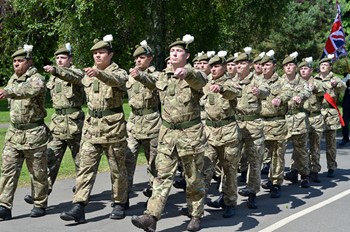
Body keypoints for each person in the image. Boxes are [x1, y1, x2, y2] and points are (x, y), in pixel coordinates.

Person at [131, 34, 207, 232]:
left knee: (193, 178)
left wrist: (186, 74)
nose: (174, 53)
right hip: (167, 135)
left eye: (179, 51)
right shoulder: (163, 75)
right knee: (161, 176)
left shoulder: (195, 74)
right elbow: (150, 80)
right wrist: (139, 75)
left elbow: (200, 81)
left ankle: (196, 215)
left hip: (190, 134)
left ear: (187, 55)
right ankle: (151, 216)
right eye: (172, 51)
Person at [60, 34, 129, 223]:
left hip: (112, 128)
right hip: (91, 128)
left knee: (117, 169)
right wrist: (56, 70)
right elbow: (72, 76)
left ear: (110, 54)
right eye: (95, 53)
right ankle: (79, 206)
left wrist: (100, 74)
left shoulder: (119, 72)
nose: (97, 56)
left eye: (101, 53)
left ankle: (119, 202)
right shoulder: (88, 74)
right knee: (85, 168)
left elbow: (117, 81)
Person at [23, 43, 85, 205]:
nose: (59, 60)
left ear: (70, 59)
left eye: (63, 58)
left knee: (81, 160)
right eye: (57, 58)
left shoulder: (77, 72)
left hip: (75, 122)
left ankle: (82, 191)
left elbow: (74, 78)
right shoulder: (53, 76)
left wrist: (57, 70)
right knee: (50, 159)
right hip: (57, 123)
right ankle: (42, 192)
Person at [0, 44, 51, 219]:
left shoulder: (37, 79)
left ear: (29, 62)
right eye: (14, 61)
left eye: (20, 61)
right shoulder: (12, 80)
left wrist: (7, 92)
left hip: (34, 133)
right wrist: (8, 90)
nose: (16, 64)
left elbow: (27, 91)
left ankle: (39, 203)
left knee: (37, 171)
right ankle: (4, 206)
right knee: (8, 170)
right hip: (14, 134)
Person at [201, 51, 241, 218]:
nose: (214, 69)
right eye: (212, 66)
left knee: (229, 170)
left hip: (228, 133)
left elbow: (235, 93)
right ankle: (196, 206)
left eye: (217, 66)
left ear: (224, 67)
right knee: (204, 169)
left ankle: (229, 201)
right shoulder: (205, 83)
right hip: (209, 133)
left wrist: (222, 88)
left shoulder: (232, 83)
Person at [125, 40, 161, 197]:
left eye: (142, 57)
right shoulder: (130, 76)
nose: (138, 60)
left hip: (151, 122)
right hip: (133, 122)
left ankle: (154, 191)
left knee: (154, 161)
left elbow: (154, 83)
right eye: (136, 58)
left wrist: (141, 76)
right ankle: (124, 194)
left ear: (150, 58)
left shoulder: (158, 75)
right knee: (128, 158)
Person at [235, 47, 269, 209]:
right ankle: (226, 194)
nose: (239, 66)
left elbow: (265, 90)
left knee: (254, 160)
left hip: (253, 125)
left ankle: (252, 192)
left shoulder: (258, 80)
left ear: (249, 64)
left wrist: (259, 92)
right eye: (237, 63)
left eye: (242, 63)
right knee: (229, 160)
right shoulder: (231, 80)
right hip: (235, 125)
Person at [259, 50, 291, 198]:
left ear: (274, 65)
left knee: (277, 154)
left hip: (277, 122)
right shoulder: (256, 80)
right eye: (262, 65)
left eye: (268, 64)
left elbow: (287, 93)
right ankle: (256, 182)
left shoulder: (281, 81)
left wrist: (281, 99)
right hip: (259, 123)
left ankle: (276, 182)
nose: (265, 67)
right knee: (260, 155)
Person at [282, 52, 312, 188]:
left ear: (296, 67)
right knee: (279, 151)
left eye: (291, 65)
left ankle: (305, 175)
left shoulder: (301, 81)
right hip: (283, 120)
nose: (288, 68)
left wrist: (300, 96)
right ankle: (286, 175)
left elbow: (307, 92)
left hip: (298, 119)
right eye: (286, 66)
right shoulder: (279, 82)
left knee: (301, 150)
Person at [314, 54, 346, 177]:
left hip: (330, 113)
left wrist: (335, 84)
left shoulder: (334, 79)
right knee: (315, 142)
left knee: (331, 142)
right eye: (321, 65)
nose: (323, 66)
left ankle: (331, 166)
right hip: (317, 113)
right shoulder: (314, 79)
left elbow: (343, 86)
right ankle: (315, 168)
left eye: (325, 65)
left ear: (330, 67)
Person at [299, 57, 325, 183]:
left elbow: (322, 91)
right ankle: (303, 170)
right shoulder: (296, 82)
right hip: (301, 118)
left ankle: (315, 170)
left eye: (305, 68)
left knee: (315, 146)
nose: (303, 71)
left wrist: (313, 88)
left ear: (311, 70)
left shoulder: (316, 81)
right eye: (301, 69)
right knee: (301, 147)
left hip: (314, 117)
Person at [340, 72, 350, 146]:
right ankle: (345, 138)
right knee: (345, 122)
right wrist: (346, 78)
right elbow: (340, 84)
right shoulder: (347, 75)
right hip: (347, 104)